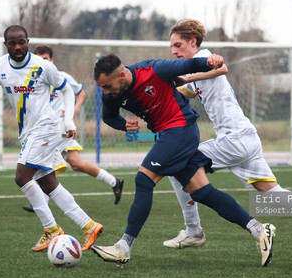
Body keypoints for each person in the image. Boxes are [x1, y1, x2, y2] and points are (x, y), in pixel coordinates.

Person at [90, 53, 276, 267]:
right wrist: (124, 125)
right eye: (102, 88)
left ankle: (124, 247)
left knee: (143, 180)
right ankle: (258, 229)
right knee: (200, 191)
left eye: (107, 86)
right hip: (167, 135)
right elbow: (108, 116)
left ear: (121, 76)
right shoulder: (111, 95)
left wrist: (209, 62)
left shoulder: (153, 70)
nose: (105, 91)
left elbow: (187, 64)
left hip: (181, 129)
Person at [163, 18, 289, 251]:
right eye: (171, 46)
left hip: (235, 140)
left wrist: (192, 75)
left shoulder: (205, 57)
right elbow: (181, 92)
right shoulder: (194, 69)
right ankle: (193, 231)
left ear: (193, 41)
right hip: (247, 137)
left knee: (175, 162)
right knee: (276, 196)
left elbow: (220, 66)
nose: (173, 51)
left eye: (178, 45)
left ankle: (193, 231)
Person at [0, 25, 103, 252]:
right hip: (28, 133)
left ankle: (52, 229)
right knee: (48, 183)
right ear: (6, 45)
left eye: (21, 42)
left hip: (47, 128)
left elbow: (68, 90)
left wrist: (69, 120)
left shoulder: (43, 66)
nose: (18, 47)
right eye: (12, 43)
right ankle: (88, 225)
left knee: (21, 177)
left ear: (27, 41)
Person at [22, 45, 124, 213]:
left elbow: (81, 93)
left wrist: (73, 110)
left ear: (52, 60)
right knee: (76, 164)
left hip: (60, 130)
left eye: (45, 59)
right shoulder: (33, 81)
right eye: (39, 59)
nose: (42, 62)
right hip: (46, 130)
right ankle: (114, 182)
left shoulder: (61, 77)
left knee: (42, 162)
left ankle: (42, 202)